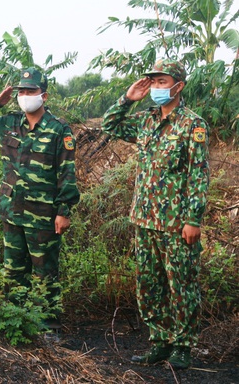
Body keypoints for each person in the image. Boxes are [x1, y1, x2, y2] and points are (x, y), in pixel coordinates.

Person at [101, 59, 210, 369]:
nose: (157, 88)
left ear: (179, 86)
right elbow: (109, 125)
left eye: (163, 82)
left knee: (181, 285)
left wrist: (193, 219)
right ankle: (160, 342)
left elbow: (199, 174)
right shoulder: (146, 120)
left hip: (177, 223)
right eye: (154, 82)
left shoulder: (192, 124)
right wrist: (127, 98)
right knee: (149, 284)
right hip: (145, 219)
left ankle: (182, 346)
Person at [0, 67, 80, 333]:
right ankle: (15, 322)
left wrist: (63, 211)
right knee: (13, 271)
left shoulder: (58, 130)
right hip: (12, 210)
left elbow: (67, 173)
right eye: (21, 91)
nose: (25, 96)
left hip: (43, 214)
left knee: (45, 274)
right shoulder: (8, 123)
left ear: (44, 95)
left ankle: (48, 326)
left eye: (30, 91)